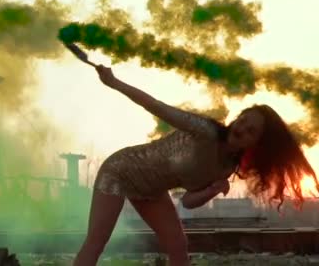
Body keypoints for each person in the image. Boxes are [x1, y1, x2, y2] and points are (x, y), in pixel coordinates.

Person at [73, 65, 319, 266]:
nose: (241, 128)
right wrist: (114, 82)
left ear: (257, 143)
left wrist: (213, 190)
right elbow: (155, 105)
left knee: (178, 248)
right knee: (96, 243)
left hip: (151, 192)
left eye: (250, 130)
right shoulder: (205, 131)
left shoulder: (227, 168)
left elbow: (188, 201)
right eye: (242, 120)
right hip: (120, 172)